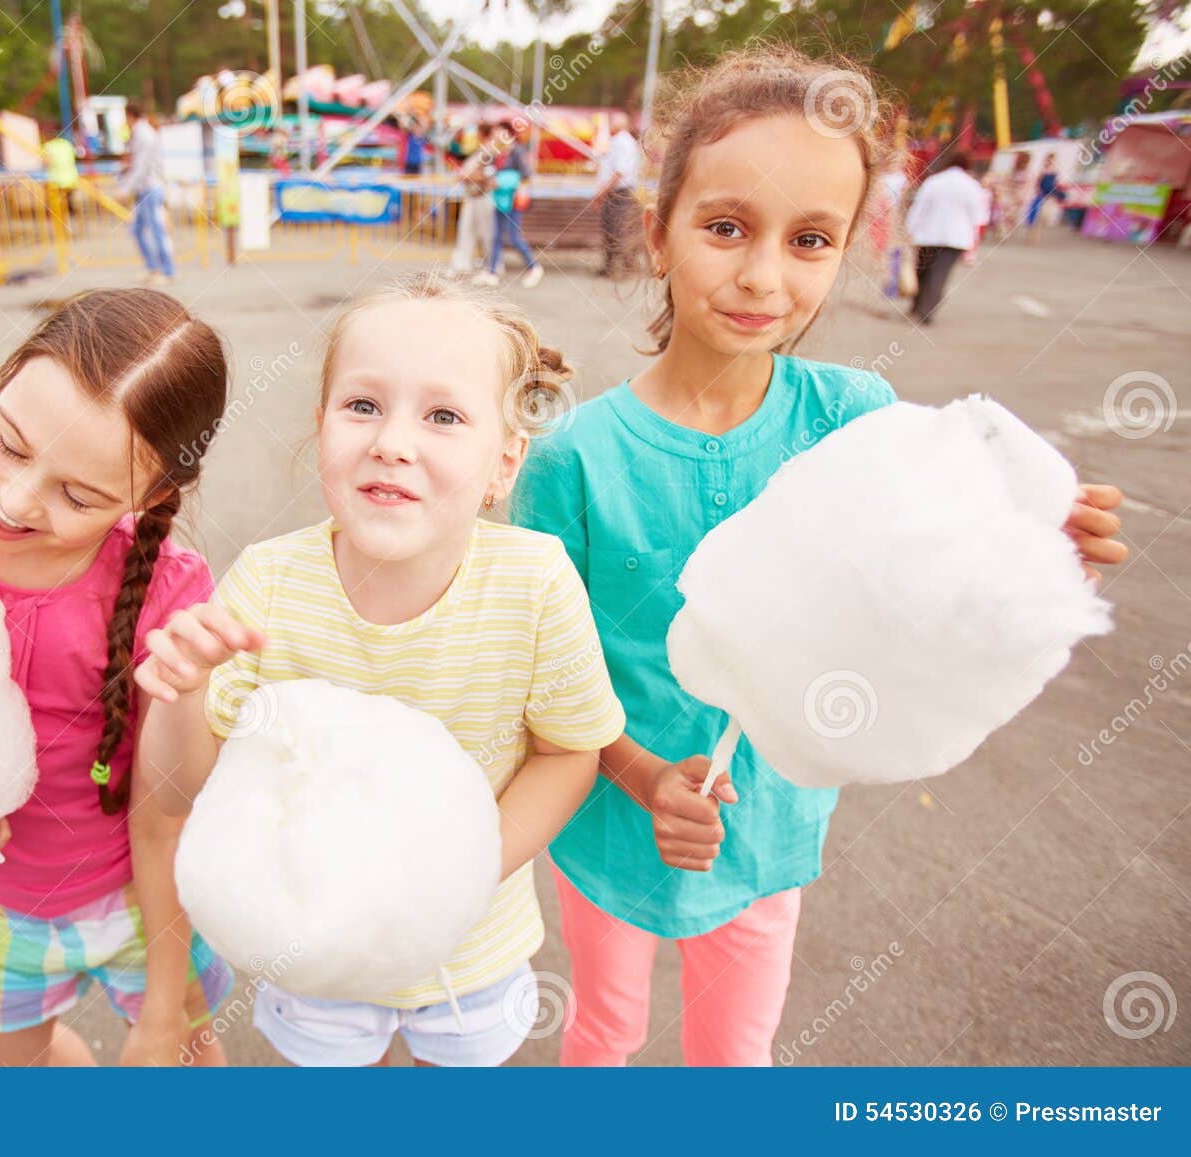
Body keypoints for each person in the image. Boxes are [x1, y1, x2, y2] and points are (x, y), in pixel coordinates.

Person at [512, 45, 1130, 1068]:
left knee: (738, 1053)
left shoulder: (858, 419)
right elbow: (543, 668)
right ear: (657, 234)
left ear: (846, 247)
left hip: (768, 833)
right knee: (602, 1032)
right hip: (612, 830)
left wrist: (1033, 561)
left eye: (808, 239)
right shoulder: (574, 456)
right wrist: (636, 773)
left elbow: (919, 602)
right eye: (723, 227)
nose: (762, 274)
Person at [133, 274, 626, 1066]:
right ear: (320, 427)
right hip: (311, 943)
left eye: (442, 415)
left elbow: (570, 751)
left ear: (504, 462)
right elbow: (185, 790)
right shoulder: (267, 584)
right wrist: (183, 696)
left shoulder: (535, 584)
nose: (393, 440)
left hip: (469, 951)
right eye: (363, 405)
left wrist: (454, 876)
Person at [0, 290, 239, 1067]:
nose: (14, 499)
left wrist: (164, 1010)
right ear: (2, 385)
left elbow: (167, 811)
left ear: (153, 498)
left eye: (79, 494)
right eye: (9, 443)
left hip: (150, 904)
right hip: (4, 911)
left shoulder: (168, 593)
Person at [904, 152, 989, 324]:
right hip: (956, 239)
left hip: (928, 235)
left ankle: (917, 305)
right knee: (940, 274)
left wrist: (909, 230)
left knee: (922, 272)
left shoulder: (934, 182)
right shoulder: (972, 186)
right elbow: (978, 218)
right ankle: (927, 311)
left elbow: (918, 208)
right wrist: (973, 245)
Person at [475, 126, 544, 288]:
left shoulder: (517, 152)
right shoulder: (495, 154)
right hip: (499, 199)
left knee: (514, 238)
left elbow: (526, 175)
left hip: (513, 200)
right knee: (496, 237)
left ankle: (533, 266)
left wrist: (508, 184)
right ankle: (492, 272)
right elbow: (487, 172)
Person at [121, 106, 176, 287]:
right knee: (138, 229)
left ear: (130, 116)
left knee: (156, 230)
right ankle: (153, 268)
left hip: (150, 188)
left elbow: (142, 167)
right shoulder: (139, 134)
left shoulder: (144, 136)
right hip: (143, 189)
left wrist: (125, 189)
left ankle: (167, 271)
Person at [593, 110, 642, 277]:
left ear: (622, 123)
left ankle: (626, 267)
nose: (610, 123)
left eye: (613, 120)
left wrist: (602, 192)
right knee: (610, 229)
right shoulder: (615, 141)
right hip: (614, 192)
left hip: (620, 192)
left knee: (617, 229)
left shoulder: (623, 142)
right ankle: (611, 266)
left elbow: (620, 172)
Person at [446, 122, 497, 278]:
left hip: (482, 198)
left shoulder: (489, 153)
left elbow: (488, 177)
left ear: (482, 134)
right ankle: (463, 263)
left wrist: (465, 176)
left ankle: (491, 266)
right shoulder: (481, 151)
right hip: (473, 198)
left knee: (486, 233)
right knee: (467, 231)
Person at [1024, 154, 1065, 244]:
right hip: (1040, 196)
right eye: (1050, 160)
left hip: (1049, 197)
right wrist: (1039, 192)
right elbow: (1036, 183)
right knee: (1034, 217)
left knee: (1043, 217)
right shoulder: (1041, 171)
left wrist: (1055, 194)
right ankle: (1030, 235)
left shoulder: (1055, 172)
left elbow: (1055, 184)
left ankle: (1036, 236)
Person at [41, 133, 79, 218]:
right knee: (67, 197)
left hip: (56, 178)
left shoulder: (48, 146)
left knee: (52, 197)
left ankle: (53, 213)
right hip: (71, 176)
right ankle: (69, 210)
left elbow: (46, 162)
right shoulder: (67, 144)